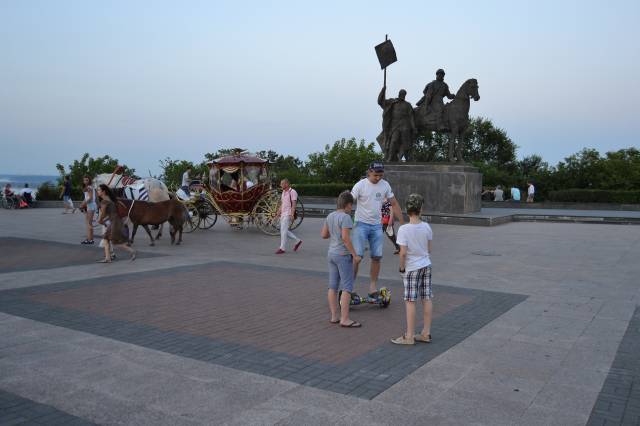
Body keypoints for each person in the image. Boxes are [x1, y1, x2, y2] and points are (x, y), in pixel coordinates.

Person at [351, 161, 404, 297]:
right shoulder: (360, 185)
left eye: (381, 175)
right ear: (369, 172)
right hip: (360, 224)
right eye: (375, 175)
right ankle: (349, 287)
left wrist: (403, 223)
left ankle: (373, 288)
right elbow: (349, 201)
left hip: (376, 226)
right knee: (357, 257)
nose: (378, 178)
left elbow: (394, 203)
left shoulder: (385, 185)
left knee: (376, 257)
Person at [391, 193, 434, 345]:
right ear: (421, 209)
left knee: (410, 300)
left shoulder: (403, 230)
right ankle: (426, 333)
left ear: (407, 209)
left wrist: (402, 268)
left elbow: (402, 253)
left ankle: (409, 336)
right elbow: (429, 249)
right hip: (426, 265)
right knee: (426, 298)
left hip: (412, 268)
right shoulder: (426, 226)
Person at [320, 191, 362, 328]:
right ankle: (345, 319)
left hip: (331, 253)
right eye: (351, 205)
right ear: (348, 204)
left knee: (332, 286)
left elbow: (323, 235)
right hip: (343, 255)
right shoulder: (345, 217)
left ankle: (334, 316)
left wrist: (334, 234)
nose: (352, 208)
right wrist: (355, 255)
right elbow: (345, 238)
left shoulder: (330, 216)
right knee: (347, 287)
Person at [95, 184, 136, 263]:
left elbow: (103, 214)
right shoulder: (110, 199)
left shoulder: (104, 201)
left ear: (103, 192)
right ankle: (108, 258)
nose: (97, 192)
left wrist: (100, 220)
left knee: (115, 242)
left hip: (115, 223)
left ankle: (132, 251)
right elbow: (111, 213)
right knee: (106, 239)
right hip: (115, 221)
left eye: (99, 190)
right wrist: (103, 220)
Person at [377, 86, 416, 161]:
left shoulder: (408, 105)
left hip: (405, 125)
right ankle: (390, 157)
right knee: (394, 141)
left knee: (406, 143)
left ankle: (406, 158)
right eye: (401, 94)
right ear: (399, 94)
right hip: (395, 125)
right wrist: (383, 91)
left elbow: (411, 117)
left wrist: (413, 127)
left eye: (403, 94)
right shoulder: (392, 102)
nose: (402, 95)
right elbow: (380, 102)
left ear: (405, 95)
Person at [275, 179, 302, 254]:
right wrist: (278, 213)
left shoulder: (292, 192)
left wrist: (292, 214)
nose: (280, 185)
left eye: (282, 184)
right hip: (283, 213)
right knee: (284, 230)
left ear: (286, 184)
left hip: (288, 213)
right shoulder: (283, 192)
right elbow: (282, 203)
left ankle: (282, 248)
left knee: (283, 231)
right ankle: (297, 240)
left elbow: (294, 204)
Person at [79, 176, 96, 244]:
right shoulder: (89, 187)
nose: (85, 181)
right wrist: (82, 204)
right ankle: (90, 239)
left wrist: (83, 204)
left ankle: (89, 239)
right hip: (90, 205)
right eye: (84, 180)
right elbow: (87, 198)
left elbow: (90, 198)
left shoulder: (89, 187)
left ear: (89, 181)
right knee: (89, 223)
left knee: (88, 223)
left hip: (91, 206)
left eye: (87, 180)